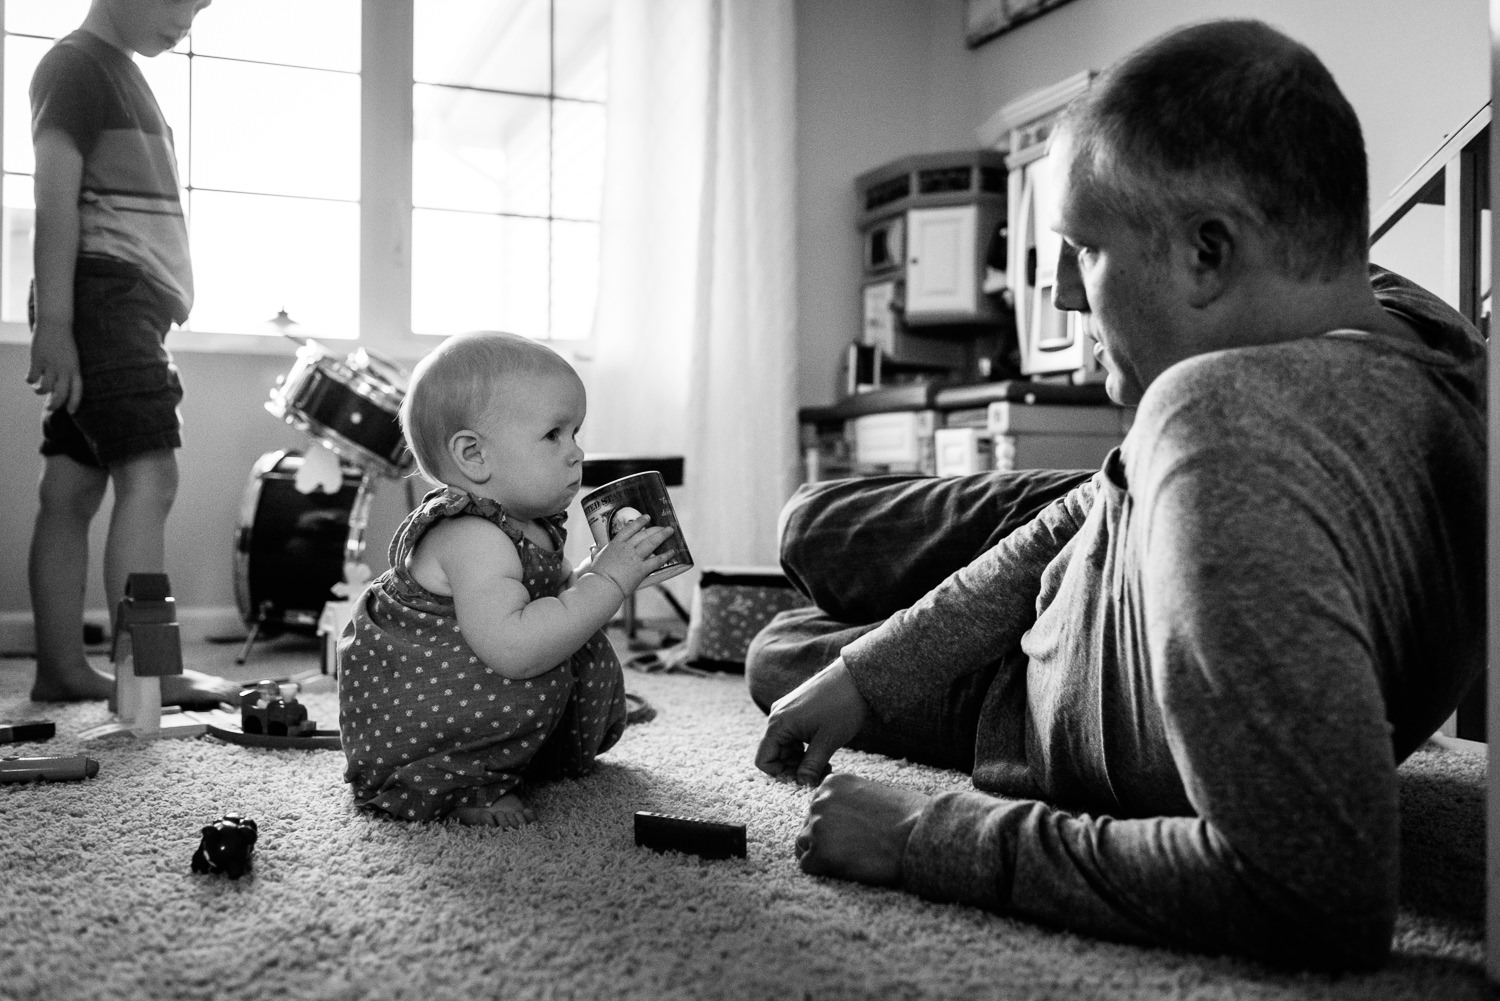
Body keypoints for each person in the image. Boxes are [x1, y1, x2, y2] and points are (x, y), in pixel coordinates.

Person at [749, 18, 1486, 971]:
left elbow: (1316, 897)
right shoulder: (1422, 326)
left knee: (782, 647)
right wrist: (870, 673)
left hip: (1039, 689)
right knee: (816, 534)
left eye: (1082, 248)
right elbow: (1099, 504)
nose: (1060, 296)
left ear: (1206, 254)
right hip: (1098, 536)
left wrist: (923, 832)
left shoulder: (1223, 430)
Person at [337, 331, 677, 827]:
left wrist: (603, 573)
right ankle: (459, 782)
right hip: (429, 723)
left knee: (576, 637)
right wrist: (607, 582)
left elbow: (556, 604)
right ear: (474, 456)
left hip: (490, 699)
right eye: (553, 435)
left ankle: (522, 756)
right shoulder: (471, 535)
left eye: (576, 433)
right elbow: (515, 648)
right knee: (552, 645)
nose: (576, 453)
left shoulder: (530, 526)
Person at [25, 0, 233, 707]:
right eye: (186, 0)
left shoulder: (117, 74)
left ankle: (61, 666)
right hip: (106, 297)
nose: (191, 19)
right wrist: (55, 320)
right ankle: (152, 667)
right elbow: (54, 198)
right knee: (152, 474)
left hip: (116, 303)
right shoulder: (77, 66)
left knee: (72, 488)